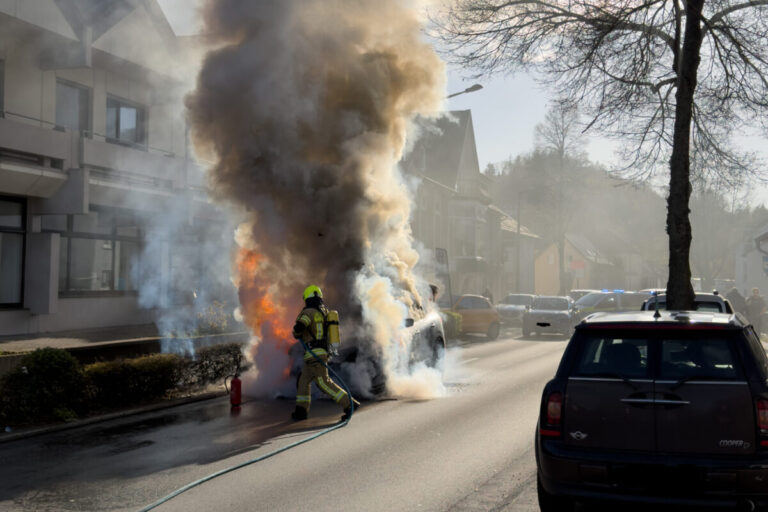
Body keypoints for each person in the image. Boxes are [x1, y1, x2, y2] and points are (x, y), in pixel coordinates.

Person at [291, 285, 359, 421]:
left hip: (314, 354)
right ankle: (301, 411)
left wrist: (297, 330)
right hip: (318, 354)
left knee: (323, 383)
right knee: (303, 381)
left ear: (307, 298)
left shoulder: (308, 312)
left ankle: (349, 404)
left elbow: (299, 328)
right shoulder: (324, 312)